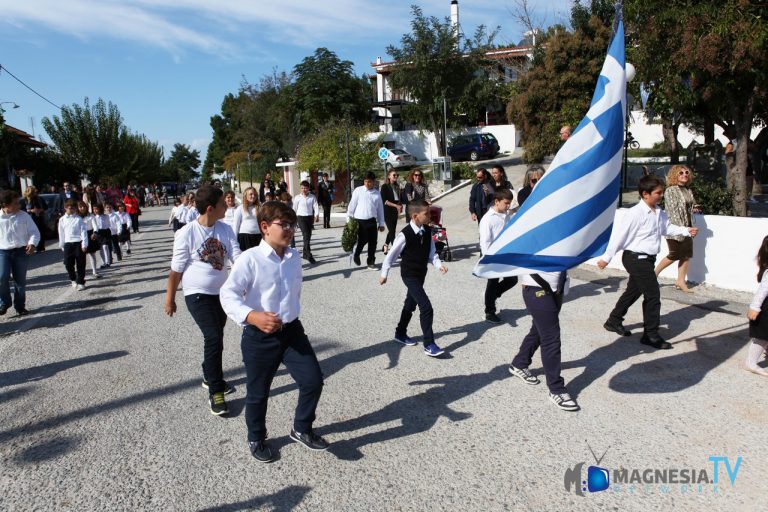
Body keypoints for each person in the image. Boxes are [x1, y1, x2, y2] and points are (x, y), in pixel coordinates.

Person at [220, 201, 328, 463]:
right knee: (259, 392)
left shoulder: (293, 258)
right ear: (265, 227)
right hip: (259, 337)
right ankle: (256, 436)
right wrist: (252, 315)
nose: (290, 229)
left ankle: (301, 428)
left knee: (313, 380)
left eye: (292, 224)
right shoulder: (250, 259)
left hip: (292, 332)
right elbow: (228, 294)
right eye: (284, 224)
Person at [164, 186, 242, 416]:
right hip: (197, 294)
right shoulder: (186, 233)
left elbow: (236, 257)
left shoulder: (225, 229)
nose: (227, 205)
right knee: (213, 337)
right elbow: (175, 271)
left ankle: (210, 375)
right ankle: (216, 391)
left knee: (217, 336)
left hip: (222, 294)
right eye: (222, 203)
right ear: (211, 208)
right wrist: (170, 299)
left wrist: (247, 278)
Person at [597, 175, 698, 350]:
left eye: (662, 192)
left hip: (647, 259)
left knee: (633, 291)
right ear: (645, 194)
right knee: (653, 295)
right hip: (635, 258)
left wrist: (686, 230)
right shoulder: (634, 213)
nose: (661, 195)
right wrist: (606, 258)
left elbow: (667, 228)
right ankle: (650, 335)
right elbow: (620, 238)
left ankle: (614, 320)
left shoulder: (659, 212)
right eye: (658, 193)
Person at [507, 242, 577, 411]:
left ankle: (519, 363)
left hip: (557, 287)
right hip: (536, 287)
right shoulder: (538, 223)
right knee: (551, 337)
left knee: (539, 329)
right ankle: (556, 389)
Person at [380, 199, 448, 357]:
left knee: (410, 304)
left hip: (420, 274)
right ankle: (429, 344)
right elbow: (391, 256)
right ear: (415, 216)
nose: (430, 216)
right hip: (409, 275)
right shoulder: (405, 235)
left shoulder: (427, 230)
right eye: (427, 214)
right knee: (426, 307)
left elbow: (432, 253)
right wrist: (384, 274)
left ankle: (400, 333)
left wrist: (439, 266)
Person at [654, 165, 700, 293]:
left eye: (686, 172)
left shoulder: (687, 190)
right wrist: (681, 229)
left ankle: (681, 281)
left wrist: (694, 207)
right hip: (675, 228)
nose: (684, 174)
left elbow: (691, 204)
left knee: (686, 255)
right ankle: (653, 275)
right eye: (681, 173)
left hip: (687, 227)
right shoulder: (670, 190)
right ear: (675, 175)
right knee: (674, 254)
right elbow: (672, 211)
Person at [479, 189, 518, 323]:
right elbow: (485, 241)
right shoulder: (487, 220)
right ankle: (489, 312)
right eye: (506, 203)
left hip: (505, 254)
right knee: (493, 283)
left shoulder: (506, 214)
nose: (508, 206)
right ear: (497, 201)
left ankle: (491, 296)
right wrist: (488, 259)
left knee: (512, 279)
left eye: (509, 203)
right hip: (493, 256)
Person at [0, 190, 40, 316]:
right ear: (4, 204)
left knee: (20, 281)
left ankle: (20, 306)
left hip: (20, 252)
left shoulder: (24, 216)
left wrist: (32, 243)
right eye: (15, 203)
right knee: (1, 277)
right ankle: (4, 302)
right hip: (3, 252)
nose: (19, 205)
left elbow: (34, 232)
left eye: (18, 202)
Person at [347, 171, 385, 269]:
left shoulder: (377, 194)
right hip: (360, 221)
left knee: (373, 242)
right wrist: (349, 220)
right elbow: (352, 206)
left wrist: (381, 223)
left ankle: (371, 261)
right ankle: (357, 253)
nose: (367, 184)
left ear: (374, 182)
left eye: (369, 182)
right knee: (362, 240)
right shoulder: (358, 191)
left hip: (372, 221)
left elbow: (380, 209)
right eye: (365, 181)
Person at [745, 236, 768, 377]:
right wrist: (755, 307)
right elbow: (762, 291)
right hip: (765, 311)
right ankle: (750, 363)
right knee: (762, 337)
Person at [58, 199, 88, 290]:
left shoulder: (79, 219)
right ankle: (73, 278)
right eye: (69, 208)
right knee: (68, 263)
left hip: (78, 243)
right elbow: (61, 233)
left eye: (73, 208)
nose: (71, 210)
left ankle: (81, 282)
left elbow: (83, 232)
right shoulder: (62, 219)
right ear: (65, 208)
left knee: (81, 263)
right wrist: (62, 245)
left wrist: (84, 244)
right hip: (68, 243)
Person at [292, 180, 319, 264]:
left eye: (305, 188)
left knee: (308, 236)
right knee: (306, 235)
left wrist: (317, 215)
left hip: (309, 218)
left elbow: (316, 206)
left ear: (308, 188)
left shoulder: (312, 197)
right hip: (300, 218)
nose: (304, 190)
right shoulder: (297, 197)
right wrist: (294, 219)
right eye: (302, 188)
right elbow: (294, 209)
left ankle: (304, 253)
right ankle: (309, 255)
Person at [380, 169, 403, 254]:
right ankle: (395, 250)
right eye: (394, 175)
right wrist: (396, 205)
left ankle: (386, 245)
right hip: (387, 211)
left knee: (392, 230)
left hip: (394, 211)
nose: (396, 176)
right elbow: (385, 201)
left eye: (397, 175)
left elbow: (398, 199)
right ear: (389, 176)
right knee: (392, 231)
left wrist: (400, 206)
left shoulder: (397, 186)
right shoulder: (384, 187)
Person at [78, 201, 101, 279]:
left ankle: (94, 271)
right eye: (80, 207)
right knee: (81, 257)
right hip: (80, 237)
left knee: (92, 254)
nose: (82, 208)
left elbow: (95, 226)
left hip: (90, 235)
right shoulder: (77, 217)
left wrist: (95, 233)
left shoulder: (91, 216)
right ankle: (82, 274)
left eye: (84, 206)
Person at [22, 186, 48, 252]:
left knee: (41, 231)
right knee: (31, 233)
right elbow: (22, 210)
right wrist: (31, 210)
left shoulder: (39, 198)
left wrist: (40, 210)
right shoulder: (25, 200)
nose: (35, 192)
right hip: (30, 218)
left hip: (39, 217)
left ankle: (41, 247)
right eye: (33, 191)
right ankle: (32, 247)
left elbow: (45, 207)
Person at [91, 203, 113, 268]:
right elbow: (95, 226)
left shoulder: (106, 216)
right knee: (101, 249)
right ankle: (103, 262)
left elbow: (109, 224)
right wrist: (95, 233)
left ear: (100, 209)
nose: (95, 210)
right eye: (94, 209)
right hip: (98, 233)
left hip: (106, 232)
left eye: (96, 209)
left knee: (105, 247)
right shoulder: (94, 218)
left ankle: (108, 262)